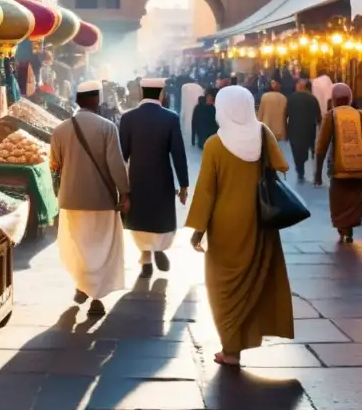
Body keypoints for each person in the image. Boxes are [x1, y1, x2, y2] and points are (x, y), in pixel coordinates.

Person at [186, 85, 294, 366]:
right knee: (255, 280)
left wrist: (198, 230)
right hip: (260, 219)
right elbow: (281, 166)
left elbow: (207, 190)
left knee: (222, 285)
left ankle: (230, 348)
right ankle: (241, 342)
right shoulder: (262, 134)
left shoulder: (214, 143)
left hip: (225, 224)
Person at [49, 81, 131, 317]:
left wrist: (60, 191)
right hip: (102, 200)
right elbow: (116, 166)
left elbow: (54, 166)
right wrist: (124, 193)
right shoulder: (107, 128)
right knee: (101, 249)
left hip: (71, 199)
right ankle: (96, 297)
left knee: (79, 246)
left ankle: (81, 286)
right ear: (96, 100)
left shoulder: (60, 130)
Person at [119, 77, 189, 277]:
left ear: (141, 93)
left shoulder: (128, 118)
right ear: (162, 93)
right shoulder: (170, 118)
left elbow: (122, 154)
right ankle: (158, 249)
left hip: (137, 177)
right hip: (162, 177)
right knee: (160, 217)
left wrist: (120, 186)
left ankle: (146, 258)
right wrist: (184, 185)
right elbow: (178, 154)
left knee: (140, 218)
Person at [314, 82, 362, 243]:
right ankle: (349, 230)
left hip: (339, 169)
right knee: (354, 200)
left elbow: (321, 145)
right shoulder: (360, 114)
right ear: (350, 98)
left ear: (333, 99)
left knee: (340, 201)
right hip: (359, 169)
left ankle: (344, 229)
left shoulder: (331, 115)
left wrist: (318, 173)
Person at [286, 79, 321, 184]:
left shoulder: (291, 98)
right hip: (309, 129)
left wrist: (285, 130)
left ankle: (300, 169)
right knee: (306, 149)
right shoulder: (312, 98)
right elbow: (318, 116)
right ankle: (304, 164)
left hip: (294, 129)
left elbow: (286, 114)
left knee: (296, 150)